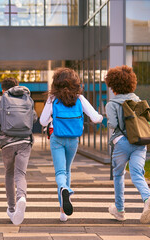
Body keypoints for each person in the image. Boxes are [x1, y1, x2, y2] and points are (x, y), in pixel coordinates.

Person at [39, 68, 103, 222]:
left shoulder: (52, 99)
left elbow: (42, 121)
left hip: (57, 138)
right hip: (73, 139)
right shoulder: (79, 98)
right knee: (67, 170)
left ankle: (64, 191)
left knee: (60, 172)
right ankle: (63, 212)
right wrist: (102, 116)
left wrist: (52, 120)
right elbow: (95, 118)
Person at [105, 65, 150, 223]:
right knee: (136, 174)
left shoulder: (112, 104)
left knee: (119, 174)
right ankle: (147, 198)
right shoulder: (138, 100)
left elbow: (113, 124)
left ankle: (120, 210)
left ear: (113, 86)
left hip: (121, 143)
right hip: (140, 142)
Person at [0, 77, 37, 225]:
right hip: (25, 141)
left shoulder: (1, 98)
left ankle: (12, 209)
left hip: (7, 142)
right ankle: (22, 197)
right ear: (17, 86)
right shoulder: (27, 98)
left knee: (9, 173)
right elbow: (35, 118)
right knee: (21, 174)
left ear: (3, 89)